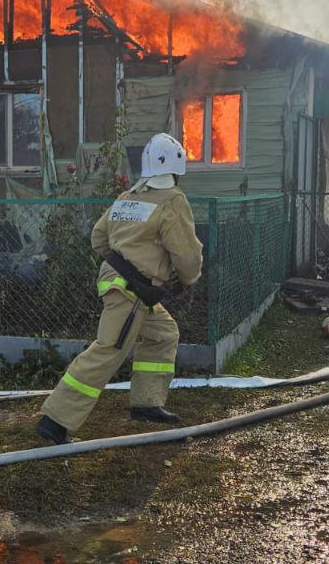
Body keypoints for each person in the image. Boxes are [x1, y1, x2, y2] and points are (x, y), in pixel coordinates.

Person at [36, 133, 203, 445]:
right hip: (132, 291)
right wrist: (188, 276)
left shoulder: (128, 197)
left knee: (164, 334)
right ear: (177, 169)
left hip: (123, 285)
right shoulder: (172, 200)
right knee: (109, 349)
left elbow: (98, 238)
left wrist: (125, 257)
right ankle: (55, 420)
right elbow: (186, 254)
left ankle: (146, 403)